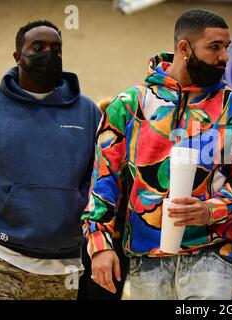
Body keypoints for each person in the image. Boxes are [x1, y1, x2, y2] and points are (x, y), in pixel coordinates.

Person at [81, 9, 232, 300]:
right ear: (185, 48)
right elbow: (103, 180)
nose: (225, 56)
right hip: (145, 258)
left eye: (226, 46)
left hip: (212, 256)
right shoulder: (130, 105)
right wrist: (100, 244)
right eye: (214, 47)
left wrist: (210, 210)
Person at [0, 20, 101, 300]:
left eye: (56, 48)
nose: (49, 54)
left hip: (65, 264)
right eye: (38, 47)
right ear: (18, 57)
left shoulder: (88, 112)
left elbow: (101, 179)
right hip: (3, 257)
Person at [77, 98, 130, 300]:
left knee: (105, 292)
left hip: (115, 239)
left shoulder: (128, 162)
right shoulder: (92, 157)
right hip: (86, 237)